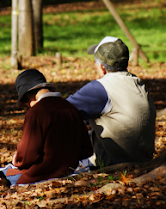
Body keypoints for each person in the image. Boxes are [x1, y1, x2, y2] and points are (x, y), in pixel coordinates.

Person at [66, 36, 156, 168]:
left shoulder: (100, 88)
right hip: (144, 161)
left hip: (110, 165)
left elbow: (58, 111)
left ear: (102, 67)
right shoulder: (137, 83)